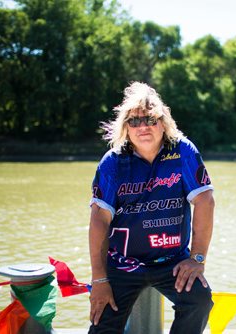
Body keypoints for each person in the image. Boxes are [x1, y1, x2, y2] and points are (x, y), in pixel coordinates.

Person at [88, 82, 215, 334]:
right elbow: (99, 219)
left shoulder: (182, 152)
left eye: (150, 119)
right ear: (125, 127)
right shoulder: (113, 162)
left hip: (173, 261)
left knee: (199, 300)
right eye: (134, 121)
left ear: (163, 121)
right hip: (122, 263)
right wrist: (100, 278)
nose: (142, 126)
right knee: (102, 327)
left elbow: (205, 201)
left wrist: (197, 258)